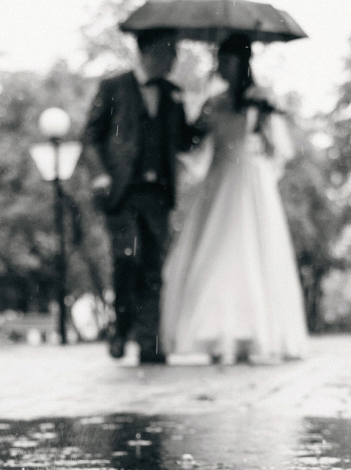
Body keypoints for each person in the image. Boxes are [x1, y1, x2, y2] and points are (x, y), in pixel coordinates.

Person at [160, 34, 309, 364]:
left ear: (243, 62)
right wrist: (194, 114)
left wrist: (263, 120)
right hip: (218, 179)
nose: (222, 66)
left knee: (249, 252)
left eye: (228, 60)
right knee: (214, 252)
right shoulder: (213, 102)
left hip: (249, 182)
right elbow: (190, 142)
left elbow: (276, 150)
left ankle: (253, 333)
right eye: (219, 59)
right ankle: (214, 332)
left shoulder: (259, 100)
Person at [83, 29, 204, 364]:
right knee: (126, 260)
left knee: (152, 267)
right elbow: (90, 135)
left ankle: (148, 341)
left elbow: (183, 142)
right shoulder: (113, 87)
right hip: (122, 192)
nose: (175, 59)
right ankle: (121, 328)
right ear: (150, 51)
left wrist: (207, 117)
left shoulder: (173, 94)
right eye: (170, 51)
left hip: (159, 196)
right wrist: (100, 174)